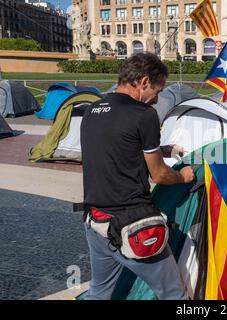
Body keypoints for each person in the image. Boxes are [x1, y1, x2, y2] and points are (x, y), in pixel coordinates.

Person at [80, 53, 194, 300]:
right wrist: (183, 176)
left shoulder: (92, 110)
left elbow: (114, 148)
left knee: (99, 292)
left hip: (95, 220)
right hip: (132, 226)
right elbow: (161, 175)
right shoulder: (143, 115)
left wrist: (160, 149)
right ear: (143, 82)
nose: (156, 99)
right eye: (158, 90)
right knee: (174, 292)